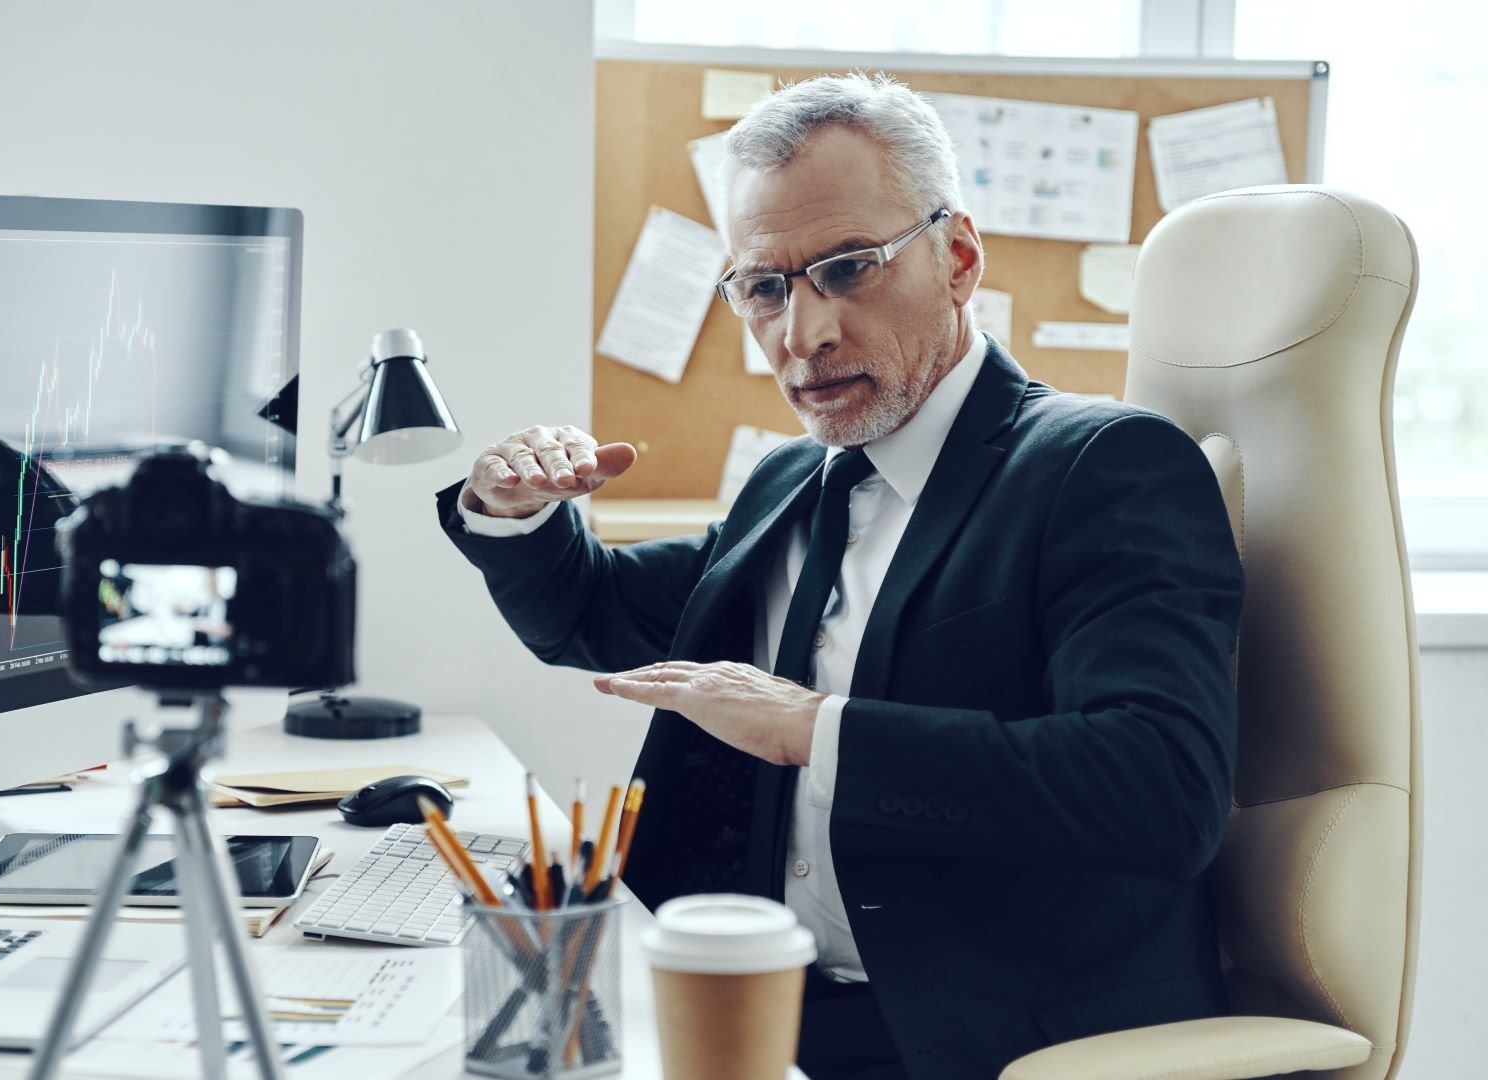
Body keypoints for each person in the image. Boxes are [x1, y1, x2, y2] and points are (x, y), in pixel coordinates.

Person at [435, 73, 1243, 1080]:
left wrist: (812, 729)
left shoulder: (1100, 467)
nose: (800, 334)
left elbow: (1161, 787)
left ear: (956, 258)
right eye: (764, 288)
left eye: (848, 269)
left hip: (985, 1037)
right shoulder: (797, 479)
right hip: (768, 1014)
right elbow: (594, 616)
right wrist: (518, 514)